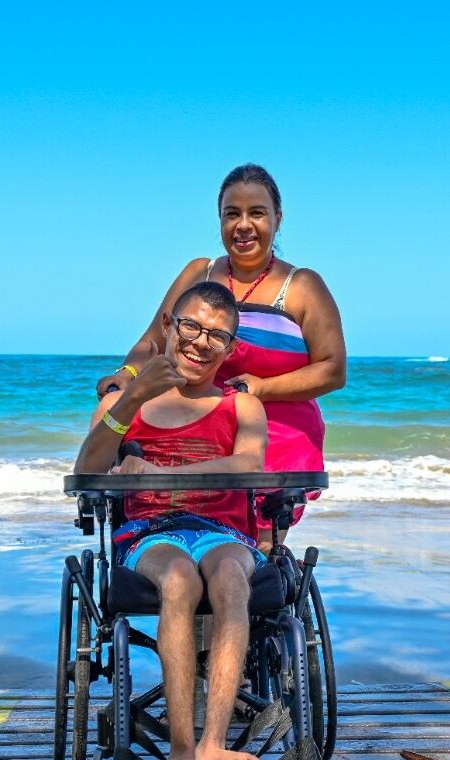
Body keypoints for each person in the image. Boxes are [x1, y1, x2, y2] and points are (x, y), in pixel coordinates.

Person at [75, 281, 269, 760]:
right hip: (148, 534)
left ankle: (213, 747)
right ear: (169, 327)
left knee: (229, 576)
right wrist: (133, 394)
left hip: (223, 532)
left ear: (230, 349)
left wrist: (153, 472)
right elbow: (88, 469)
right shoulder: (124, 402)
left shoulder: (242, 406)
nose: (202, 342)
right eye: (192, 326)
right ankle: (182, 746)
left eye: (218, 336)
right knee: (179, 579)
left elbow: (247, 464)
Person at [96, 164, 345, 547]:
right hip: (201, 430)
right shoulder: (200, 271)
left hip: (278, 436)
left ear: (278, 218)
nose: (243, 225)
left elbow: (332, 369)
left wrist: (262, 389)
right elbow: (152, 340)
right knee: (181, 530)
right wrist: (127, 375)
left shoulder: (303, 286)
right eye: (232, 214)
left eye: (256, 213)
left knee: (257, 557)